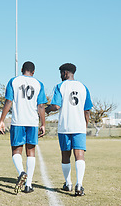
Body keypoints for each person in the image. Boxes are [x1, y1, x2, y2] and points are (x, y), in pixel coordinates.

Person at [0, 61, 47, 194]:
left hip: (18, 121)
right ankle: (28, 185)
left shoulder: (13, 81)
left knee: (16, 151)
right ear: (33, 72)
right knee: (31, 152)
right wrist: (43, 123)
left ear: (21, 69)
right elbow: (41, 106)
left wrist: (2, 120)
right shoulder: (38, 83)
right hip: (32, 122)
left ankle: (21, 172)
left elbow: (8, 101)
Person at [45, 63, 93, 196]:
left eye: (61, 73)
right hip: (79, 127)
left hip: (65, 127)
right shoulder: (83, 87)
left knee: (65, 155)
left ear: (65, 73)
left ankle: (68, 184)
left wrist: (47, 109)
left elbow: (56, 106)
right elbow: (87, 109)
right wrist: (85, 125)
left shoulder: (60, 86)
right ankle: (79, 185)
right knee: (80, 155)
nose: (60, 76)